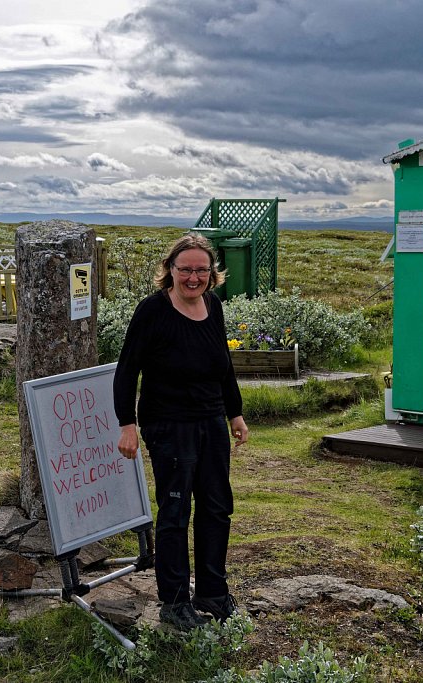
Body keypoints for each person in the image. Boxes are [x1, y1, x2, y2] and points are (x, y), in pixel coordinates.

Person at [113, 233, 249, 631]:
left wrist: (235, 414)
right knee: (175, 512)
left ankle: (212, 591)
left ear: (212, 274)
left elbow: (223, 364)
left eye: (201, 270)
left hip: (210, 422)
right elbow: (127, 372)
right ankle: (173, 601)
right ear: (170, 270)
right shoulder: (152, 311)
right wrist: (127, 424)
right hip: (168, 425)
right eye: (185, 269)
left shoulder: (213, 305)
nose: (194, 278)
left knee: (216, 507)